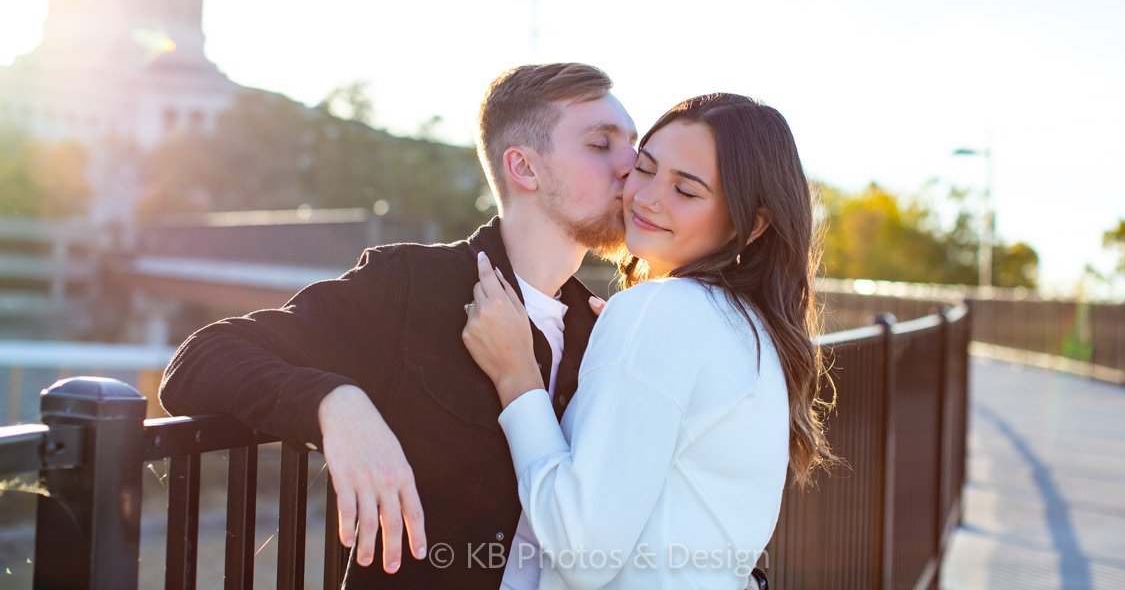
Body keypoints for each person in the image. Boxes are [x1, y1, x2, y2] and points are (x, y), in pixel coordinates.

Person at [158, 63, 639, 589]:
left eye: (633, 146)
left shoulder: (606, 332)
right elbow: (198, 361)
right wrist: (336, 403)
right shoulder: (412, 287)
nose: (631, 167)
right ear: (523, 168)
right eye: (601, 144)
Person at [462, 93, 834, 588]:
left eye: (687, 189)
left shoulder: (664, 310)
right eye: (646, 168)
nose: (647, 197)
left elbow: (581, 548)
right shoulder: (750, 328)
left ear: (753, 223)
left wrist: (518, 377)